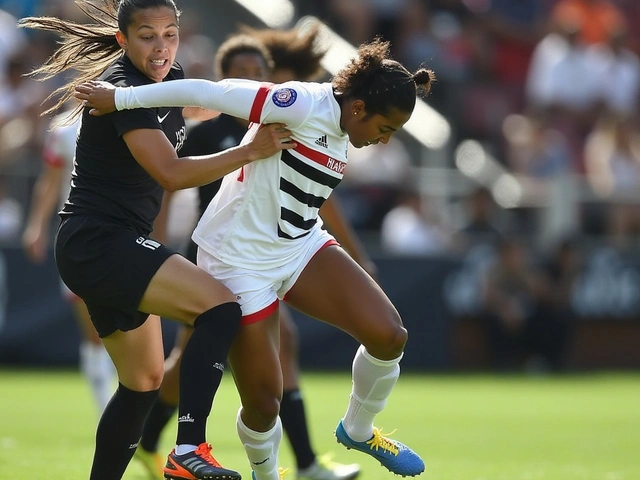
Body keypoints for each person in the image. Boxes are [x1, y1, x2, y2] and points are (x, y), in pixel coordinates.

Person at [76, 36, 433, 480]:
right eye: (385, 129)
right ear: (358, 108)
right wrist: (122, 98)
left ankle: (358, 430)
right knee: (265, 404)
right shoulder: (300, 103)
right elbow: (208, 92)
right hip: (237, 261)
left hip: (300, 244)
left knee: (389, 335)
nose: (384, 141)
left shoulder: (347, 126)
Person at [19, 2, 295, 480]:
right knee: (220, 307)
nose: (162, 46)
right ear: (124, 41)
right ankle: (190, 447)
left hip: (99, 245)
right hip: (101, 240)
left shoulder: (166, 80)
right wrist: (251, 150)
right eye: (147, 36)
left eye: (170, 34)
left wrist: (276, 102)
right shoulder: (123, 89)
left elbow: (196, 105)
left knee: (143, 383)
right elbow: (169, 173)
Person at [137, 29, 365, 480]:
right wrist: (157, 235)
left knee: (282, 348)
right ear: (228, 82)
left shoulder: (290, 121)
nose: (250, 79)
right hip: (219, 254)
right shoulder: (211, 130)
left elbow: (320, 194)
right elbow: (169, 177)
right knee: (193, 360)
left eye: (256, 72)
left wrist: (352, 251)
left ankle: (303, 462)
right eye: (239, 74)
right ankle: (153, 439)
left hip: (272, 255)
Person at [22, 106, 115, 414]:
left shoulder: (137, 114)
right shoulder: (64, 129)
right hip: (80, 240)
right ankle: (107, 412)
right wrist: (36, 225)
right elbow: (50, 181)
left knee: (126, 327)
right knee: (95, 332)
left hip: (125, 236)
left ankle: (124, 410)